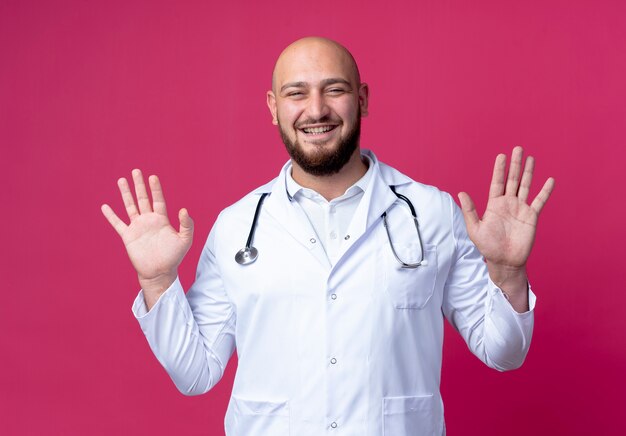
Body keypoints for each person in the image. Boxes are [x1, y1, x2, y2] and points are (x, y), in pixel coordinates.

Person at [101, 36, 555, 435]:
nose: (316, 109)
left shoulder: (431, 213)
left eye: (333, 90)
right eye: (296, 93)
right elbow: (195, 373)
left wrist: (509, 272)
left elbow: (504, 352)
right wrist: (159, 282)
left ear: (362, 99)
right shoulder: (238, 226)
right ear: (273, 108)